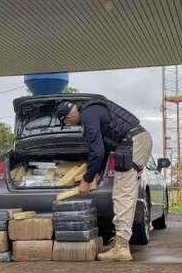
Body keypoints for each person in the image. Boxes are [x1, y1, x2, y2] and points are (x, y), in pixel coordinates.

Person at [56, 97, 152, 261]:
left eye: (67, 124)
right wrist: (96, 175)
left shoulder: (87, 115)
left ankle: (121, 248)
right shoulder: (91, 110)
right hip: (135, 140)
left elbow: (97, 151)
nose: (71, 126)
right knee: (121, 192)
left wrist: (86, 180)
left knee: (123, 193)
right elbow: (105, 149)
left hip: (133, 143)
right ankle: (119, 242)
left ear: (67, 118)